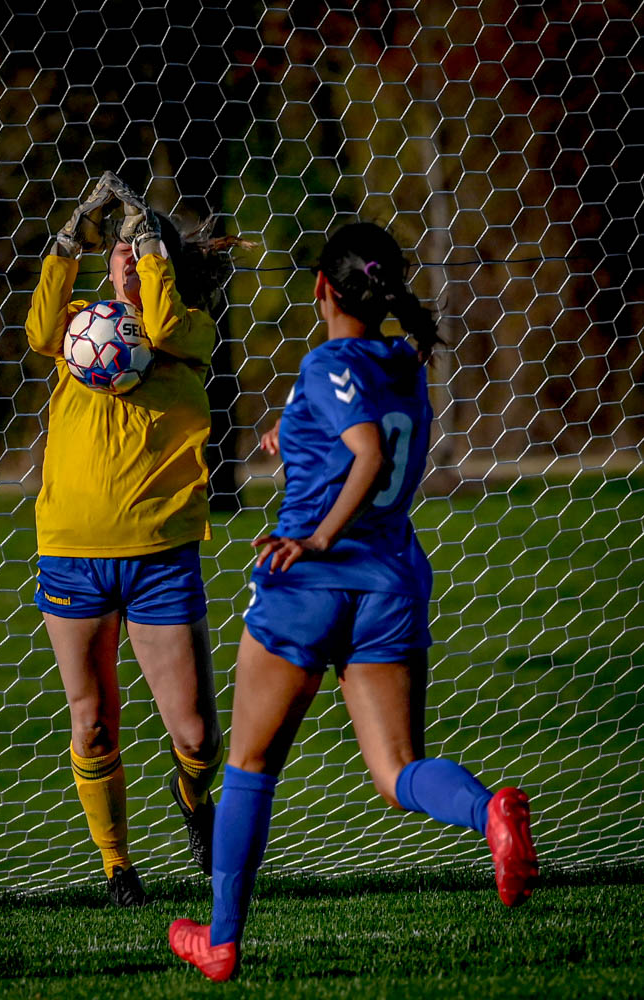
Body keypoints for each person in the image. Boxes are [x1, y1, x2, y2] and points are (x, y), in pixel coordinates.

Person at [169, 221, 539, 979]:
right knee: (397, 770)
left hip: (311, 584)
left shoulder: (327, 359)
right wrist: (292, 432)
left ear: (322, 289)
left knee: (248, 765)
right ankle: (490, 811)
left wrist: (313, 541)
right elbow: (361, 430)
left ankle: (222, 939)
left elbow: (366, 452)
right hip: (391, 584)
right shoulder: (406, 362)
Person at [25, 172, 244, 905]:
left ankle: (190, 795)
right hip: (71, 552)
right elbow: (35, 327)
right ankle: (117, 864)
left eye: (139, 251)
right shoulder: (78, 330)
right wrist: (71, 234)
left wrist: (149, 243)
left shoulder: (186, 337)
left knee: (199, 737)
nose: (124, 258)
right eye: (119, 251)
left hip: (158, 559)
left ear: (161, 266)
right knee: (91, 724)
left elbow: (172, 323)